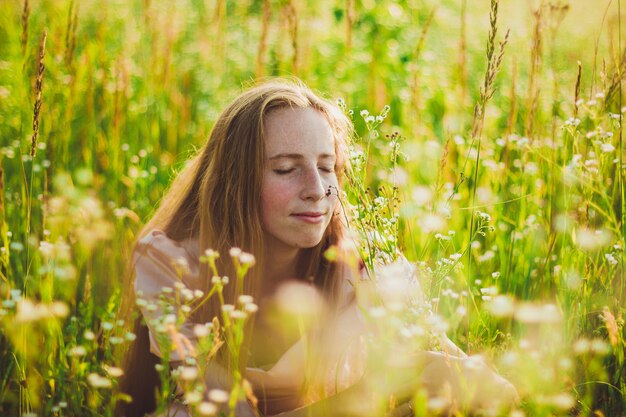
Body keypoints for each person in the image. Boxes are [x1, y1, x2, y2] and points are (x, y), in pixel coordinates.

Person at [116, 79, 517, 417]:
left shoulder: (365, 266)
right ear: (235, 183)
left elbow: (476, 377)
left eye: (327, 167)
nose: (317, 190)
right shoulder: (169, 266)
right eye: (286, 169)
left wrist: (472, 382)